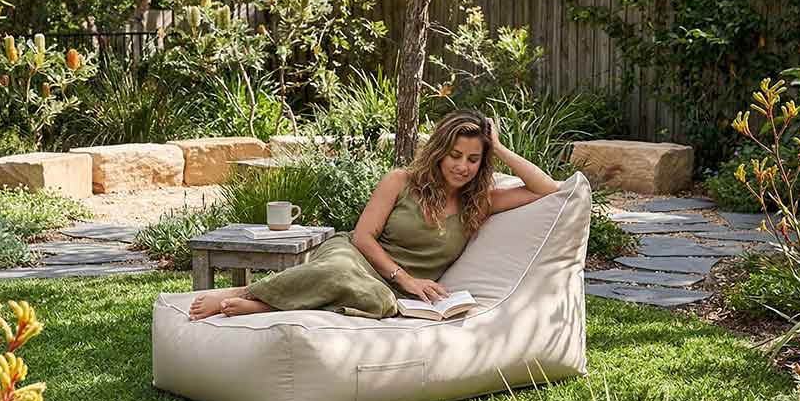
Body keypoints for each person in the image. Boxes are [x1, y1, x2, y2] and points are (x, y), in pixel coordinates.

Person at [188, 109, 561, 320]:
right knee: (337, 272)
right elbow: (363, 237)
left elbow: (547, 189)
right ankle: (252, 296)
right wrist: (407, 277)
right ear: (439, 153)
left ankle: (266, 300)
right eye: (455, 155)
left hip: (389, 289)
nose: (463, 166)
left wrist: (497, 147)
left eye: (474, 159)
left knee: (379, 304)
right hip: (356, 256)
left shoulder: (479, 202)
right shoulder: (399, 181)